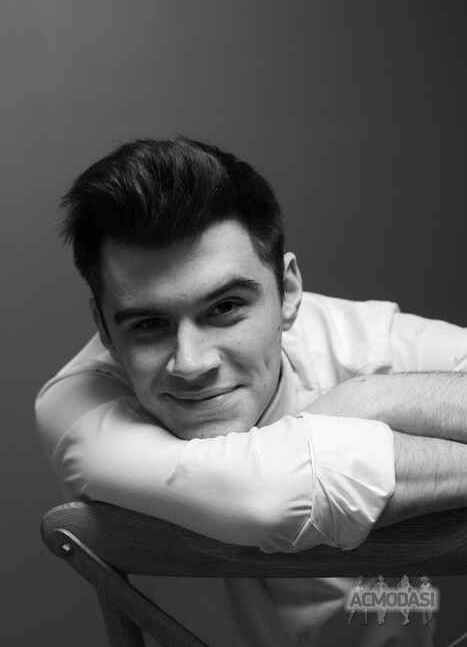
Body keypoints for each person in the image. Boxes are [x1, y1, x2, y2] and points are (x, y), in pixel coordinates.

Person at [35, 137, 467, 646]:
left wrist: (369, 398)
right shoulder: (75, 404)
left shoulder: (362, 344)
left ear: (289, 290)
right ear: (104, 328)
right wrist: (357, 416)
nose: (192, 363)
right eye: (148, 324)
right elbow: (272, 495)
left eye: (225, 308)